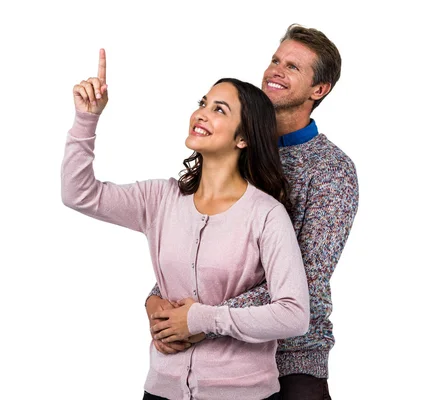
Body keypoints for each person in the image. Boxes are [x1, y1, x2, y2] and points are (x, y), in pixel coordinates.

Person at [61, 49, 310, 400]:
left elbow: (293, 315)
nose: (201, 114)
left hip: (241, 394)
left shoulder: (266, 215)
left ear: (244, 138)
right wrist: (86, 120)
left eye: (218, 110)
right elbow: (79, 195)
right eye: (203, 103)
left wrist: (200, 320)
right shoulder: (160, 199)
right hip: (161, 390)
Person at [146, 24, 359, 400]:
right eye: (276, 60)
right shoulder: (231, 149)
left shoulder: (330, 170)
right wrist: (159, 301)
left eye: (293, 67)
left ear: (319, 89)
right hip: (216, 360)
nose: (276, 70)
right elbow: (196, 242)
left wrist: (199, 319)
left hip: (292, 358)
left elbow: (305, 280)